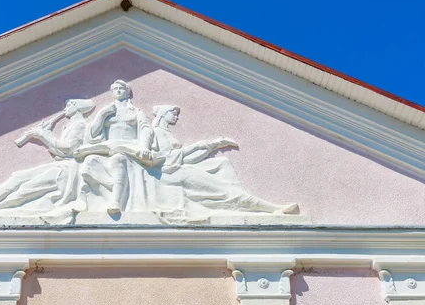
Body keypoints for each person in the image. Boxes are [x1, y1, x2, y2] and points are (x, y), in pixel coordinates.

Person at [0, 99, 95, 216]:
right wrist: (44, 135)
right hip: (60, 166)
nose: (65, 108)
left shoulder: (80, 125)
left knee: (26, 189)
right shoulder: (70, 126)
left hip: (67, 170)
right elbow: (59, 150)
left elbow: (67, 149)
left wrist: (43, 135)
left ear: (78, 107)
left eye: (69, 105)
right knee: (17, 177)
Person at [152, 105, 298, 214]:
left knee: (223, 162)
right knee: (227, 190)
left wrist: (212, 145)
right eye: (173, 113)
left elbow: (187, 158)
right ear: (164, 114)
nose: (177, 117)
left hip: (179, 167)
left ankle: (240, 194)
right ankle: (270, 208)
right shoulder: (158, 133)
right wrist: (199, 145)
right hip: (172, 173)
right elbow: (169, 159)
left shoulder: (166, 132)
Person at [74, 80, 157, 214]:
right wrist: (102, 115)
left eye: (121, 88)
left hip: (129, 147)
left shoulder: (136, 112)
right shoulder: (106, 110)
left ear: (127, 92)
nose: (118, 91)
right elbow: (93, 133)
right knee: (89, 161)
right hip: (108, 146)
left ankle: (116, 201)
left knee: (118, 159)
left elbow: (145, 129)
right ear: (112, 93)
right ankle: (108, 196)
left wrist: (145, 147)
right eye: (115, 89)